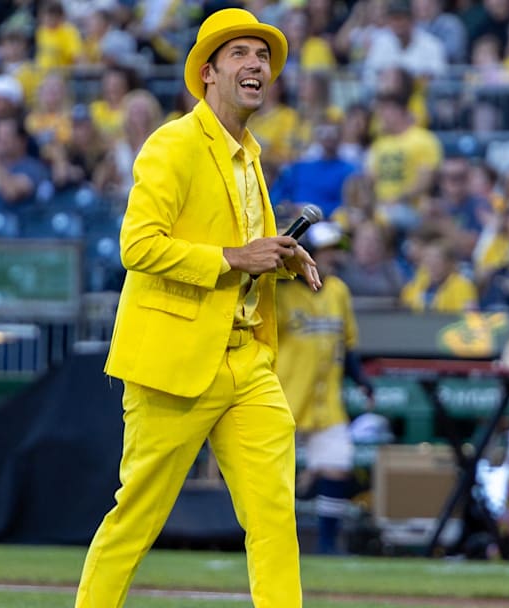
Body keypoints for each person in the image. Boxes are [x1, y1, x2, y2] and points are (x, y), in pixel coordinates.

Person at [75, 9, 318, 608]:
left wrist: (278, 258)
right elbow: (138, 244)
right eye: (240, 54)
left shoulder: (251, 155)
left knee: (273, 517)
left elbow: (238, 252)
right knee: (137, 518)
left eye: (261, 56)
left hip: (246, 362)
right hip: (173, 363)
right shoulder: (173, 142)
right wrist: (237, 257)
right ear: (207, 73)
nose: (255, 64)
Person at [276, 222, 373, 555]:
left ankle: (328, 544)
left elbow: (346, 344)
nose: (334, 257)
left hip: (326, 400)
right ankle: (273, 543)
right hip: (284, 396)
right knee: (275, 477)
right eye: (327, 251)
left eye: (336, 251)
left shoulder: (339, 292)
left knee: (338, 463)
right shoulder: (281, 292)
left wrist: (362, 381)